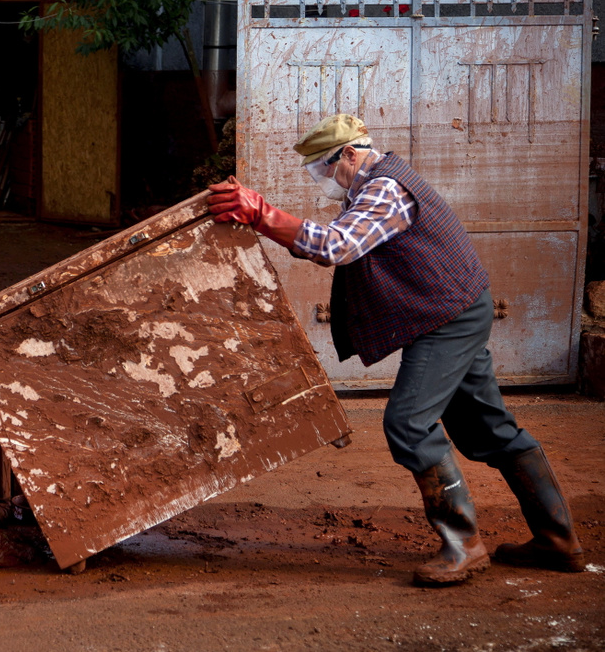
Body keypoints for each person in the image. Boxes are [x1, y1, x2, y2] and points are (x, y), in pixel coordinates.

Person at [207, 113, 584, 587]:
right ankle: (558, 539)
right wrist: (266, 219)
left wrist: (262, 214)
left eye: (325, 168)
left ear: (350, 153)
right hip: (456, 308)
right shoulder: (370, 188)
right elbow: (335, 241)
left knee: (408, 423)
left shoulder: (385, 189)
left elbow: (340, 245)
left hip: (447, 318)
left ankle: (463, 545)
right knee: (488, 429)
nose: (324, 180)